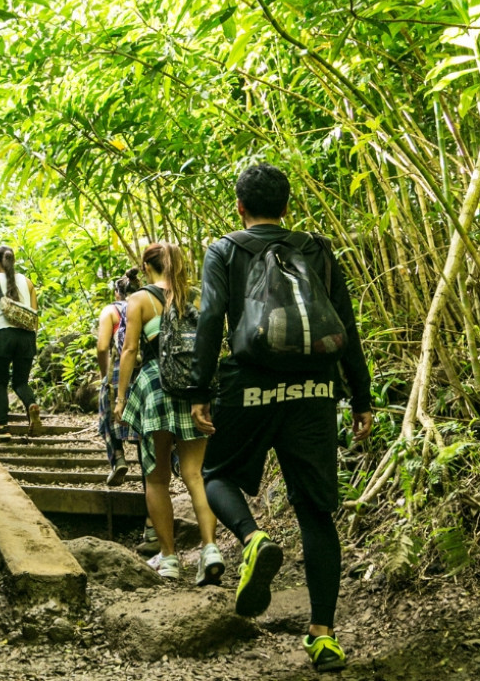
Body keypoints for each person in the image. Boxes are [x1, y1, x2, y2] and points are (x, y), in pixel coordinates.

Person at [187, 163, 373, 672]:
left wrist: (201, 389)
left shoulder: (225, 249)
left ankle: (253, 539)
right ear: (287, 207)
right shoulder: (315, 248)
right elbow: (346, 324)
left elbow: (209, 319)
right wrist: (361, 396)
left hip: (248, 385)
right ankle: (323, 637)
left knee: (216, 474)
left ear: (240, 207)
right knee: (316, 512)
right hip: (314, 392)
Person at [114, 243, 224, 586]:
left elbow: (130, 349)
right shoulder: (196, 296)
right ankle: (210, 550)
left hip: (156, 389)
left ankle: (170, 557)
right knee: (195, 473)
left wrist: (119, 398)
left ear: (147, 267)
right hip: (194, 390)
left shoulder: (139, 300)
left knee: (157, 477)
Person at [0, 245, 42, 435]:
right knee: (20, 382)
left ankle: (3, 426)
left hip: (1, 335)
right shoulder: (29, 282)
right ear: (13, 260)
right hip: (26, 337)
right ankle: (31, 404)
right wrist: (32, 339)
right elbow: (34, 314)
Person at [96, 268, 142, 485]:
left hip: (118, 368)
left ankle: (118, 457)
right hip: (144, 368)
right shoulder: (146, 304)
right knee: (143, 421)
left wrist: (105, 375)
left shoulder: (111, 311)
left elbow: (103, 346)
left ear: (117, 293)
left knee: (108, 412)